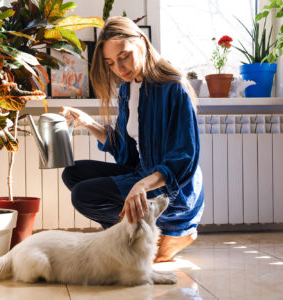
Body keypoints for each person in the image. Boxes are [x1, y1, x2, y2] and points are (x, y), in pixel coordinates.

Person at [60, 16, 203, 263]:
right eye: (111, 63)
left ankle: (148, 238)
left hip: (174, 190)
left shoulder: (173, 88)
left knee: (84, 195)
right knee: (73, 174)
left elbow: (184, 159)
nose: (119, 68)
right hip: (142, 174)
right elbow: (127, 153)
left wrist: (143, 185)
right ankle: (134, 237)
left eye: (124, 56)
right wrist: (88, 122)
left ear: (143, 42)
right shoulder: (128, 89)